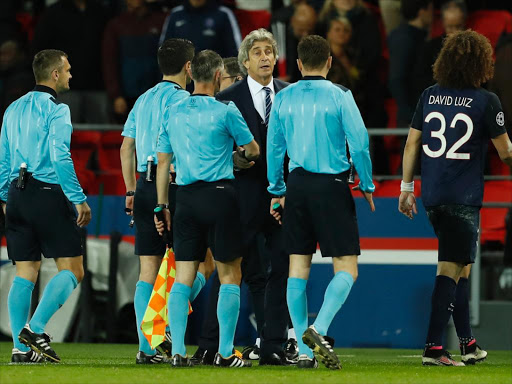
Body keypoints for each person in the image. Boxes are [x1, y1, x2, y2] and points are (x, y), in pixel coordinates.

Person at [398, 30, 512, 366]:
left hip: (434, 196)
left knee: (461, 267)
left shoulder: (430, 95)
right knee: (450, 268)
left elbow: (411, 144)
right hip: (463, 198)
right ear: (481, 63)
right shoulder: (486, 100)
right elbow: (505, 152)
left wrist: (406, 188)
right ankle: (433, 347)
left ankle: (468, 344)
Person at [267, 35, 375, 369]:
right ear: (329, 62)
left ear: (298, 64)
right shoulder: (341, 95)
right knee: (347, 268)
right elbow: (359, 144)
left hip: (296, 187)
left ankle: (302, 349)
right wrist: (367, 183)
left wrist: (276, 189)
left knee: (297, 269)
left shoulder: (284, 97)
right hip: (331, 186)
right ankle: (320, 328)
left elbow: (274, 147)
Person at [155, 49, 259, 368]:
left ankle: (176, 352)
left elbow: (162, 162)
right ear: (217, 76)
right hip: (220, 195)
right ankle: (225, 353)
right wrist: (238, 157)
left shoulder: (173, 111)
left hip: (183, 198)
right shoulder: (226, 110)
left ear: (191, 74)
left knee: (184, 275)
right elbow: (252, 150)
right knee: (230, 274)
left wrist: (162, 205)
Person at [120, 38, 212, 364]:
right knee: (199, 264)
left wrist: (131, 190)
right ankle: (167, 327)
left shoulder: (142, 100)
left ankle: (146, 349)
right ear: (189, 67)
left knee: (147, 270)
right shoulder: (183, 101)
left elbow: (125, 148)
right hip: (170, 187)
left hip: (142, 188)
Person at [0, 49, 92, 363]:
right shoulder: (57, 110)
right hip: (47, 192)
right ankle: (36, 328)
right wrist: (78, 197)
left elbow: (4, 157)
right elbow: (60, 155)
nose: (70, 75)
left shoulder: (12, 108)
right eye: (66, 70)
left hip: (16, 194)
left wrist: (3, 196)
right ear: (54, 74)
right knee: (74, 269)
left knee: (25, 271)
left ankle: (20, 349)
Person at [215, 28, 298, 366]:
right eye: (258, 52)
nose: (266, 57)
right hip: (243, 195)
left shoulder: (290, 95)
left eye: (270, 51)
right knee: (238, 272)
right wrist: (232, 159)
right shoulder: (226, 99)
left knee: (282, 269)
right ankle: (213, 344)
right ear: (245, 60)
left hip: (283, 196)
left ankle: (273, 345)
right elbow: (215, 149)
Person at [102, 0, 167, 122]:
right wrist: (116, 95)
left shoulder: (161, 21)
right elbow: (109, 63)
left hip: (154, 93)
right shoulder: (116, 25)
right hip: (126, 97)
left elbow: (166, 61)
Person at [388, 0, 433, 128]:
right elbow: (397, 79)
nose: (432, 14)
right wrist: (409, 115)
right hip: (411, 116)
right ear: (421, 11)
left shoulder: (417, 36)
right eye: (430, 9)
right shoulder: (404, 38)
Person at [414, 0, 467, 97]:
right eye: (450, 27)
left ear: (464, 22)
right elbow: (420, 80)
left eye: (458, 26)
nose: (454, 33)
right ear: (443, 23)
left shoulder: (474, 47)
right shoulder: (430, 48)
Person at [159, 0, 241, 59]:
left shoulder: (223, 14)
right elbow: (164, 52)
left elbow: (234, 52)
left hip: (213, 78)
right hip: (181, 79)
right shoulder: (175, 15)